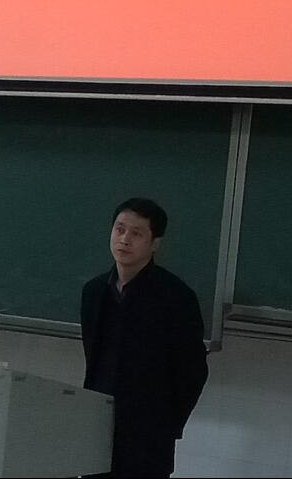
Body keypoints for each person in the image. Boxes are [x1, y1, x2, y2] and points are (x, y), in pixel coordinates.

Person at [81, 198, 208, 478]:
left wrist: (167, 425)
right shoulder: (94, 291)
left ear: (155, 244)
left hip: (149, 435)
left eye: (136, 233)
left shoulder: (176, 297)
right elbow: (93, 357)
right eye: (119, 229)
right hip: (98, 426)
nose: (124, 239)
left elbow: (193, 371)